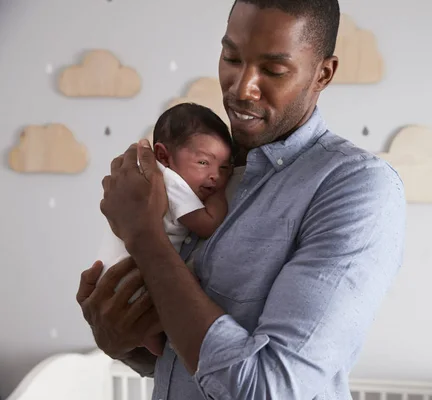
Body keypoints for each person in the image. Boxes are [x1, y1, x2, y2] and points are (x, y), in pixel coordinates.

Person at [76, 0, 406, 398]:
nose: (241, 87)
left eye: (273, 70)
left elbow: (269, 389)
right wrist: (121, 342)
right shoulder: (207, 173)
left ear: (323, 73)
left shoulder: (358, 188)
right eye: (231, 57)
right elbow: (182, 359)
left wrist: (144, 236)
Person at [95, 102, 234, 357]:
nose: (215, 176)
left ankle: (151, 341)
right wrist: (220, 196)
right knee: (179, 298)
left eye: (224, 169)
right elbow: (208, 223)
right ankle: (154, 342)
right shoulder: (169, 181)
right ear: (163, 156)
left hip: (113, 273)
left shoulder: (150, 175)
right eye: (204, 162)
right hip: (130, 275)